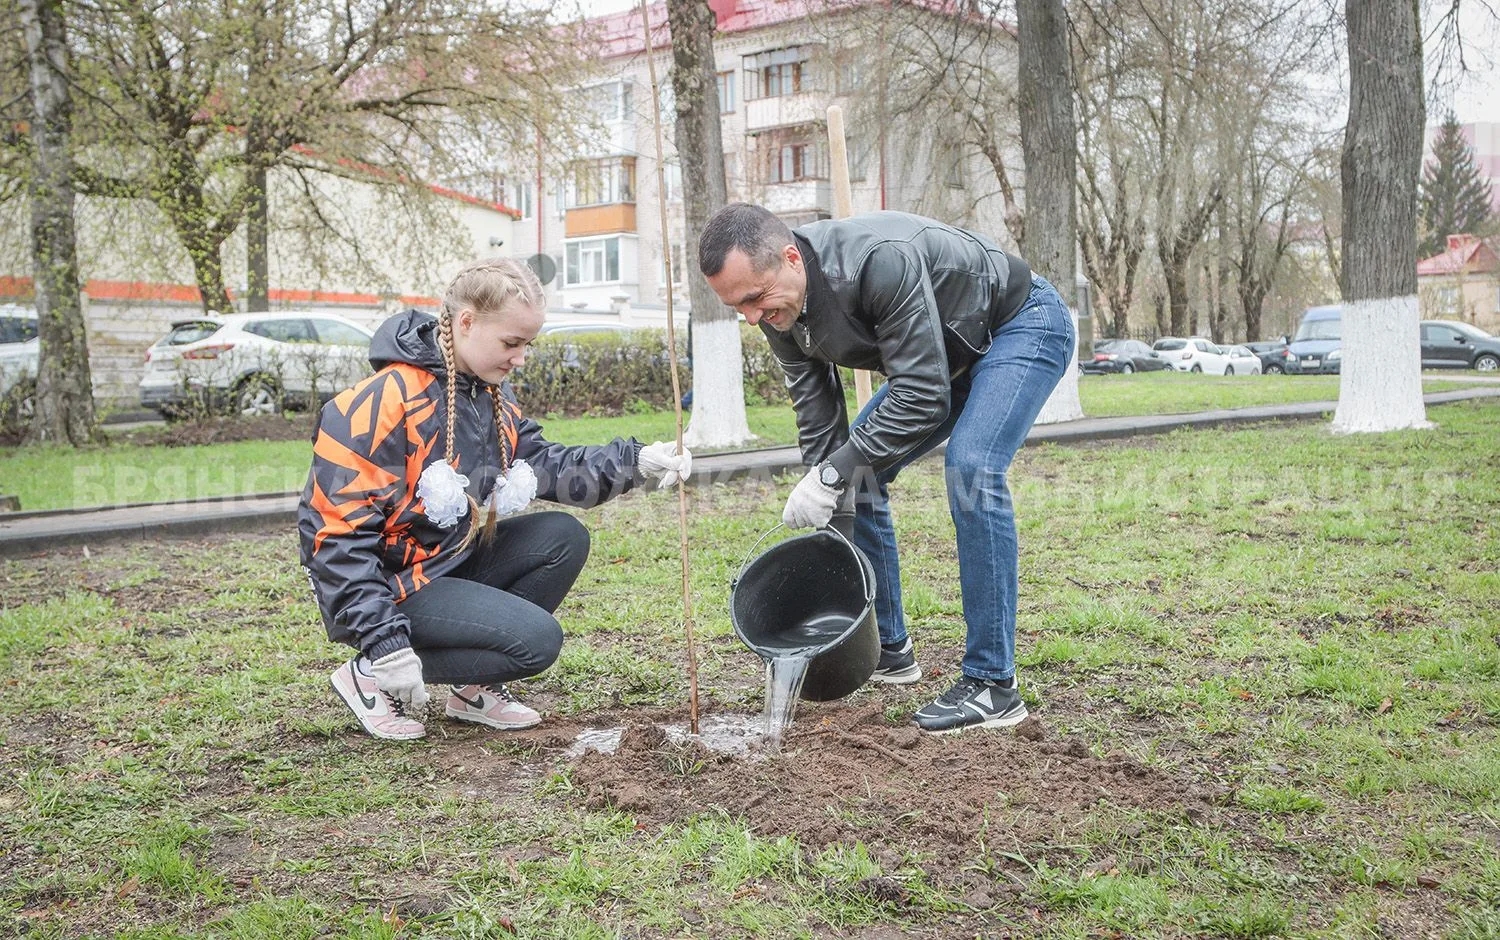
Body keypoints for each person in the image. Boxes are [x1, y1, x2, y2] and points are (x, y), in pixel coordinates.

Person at [699, 205, 1073, 734]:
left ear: (789, 258)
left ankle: (993, 684)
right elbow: (818, 418)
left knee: (972, 470)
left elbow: (922, 396)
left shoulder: (877, 263)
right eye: (738, 307)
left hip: (1017, 325)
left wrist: (834, 474)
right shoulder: (778, 307)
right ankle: (885, 646)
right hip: (943, 360)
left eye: (754, 299)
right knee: (855, 471)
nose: (752, 317)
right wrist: (828, 483)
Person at [298, 258, 691, 741]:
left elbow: (547, 464)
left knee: (561, 537)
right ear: (466, 323)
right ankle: (368, 674)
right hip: (389, 586)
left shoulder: (486, 396)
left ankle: (472, 689)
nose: (521, 357)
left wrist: (635, 461)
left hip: (445, 562)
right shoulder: (380, 404)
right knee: (535, 643)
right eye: (512, 343)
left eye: (527, 344)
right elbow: (333, 538)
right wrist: (385, 642)